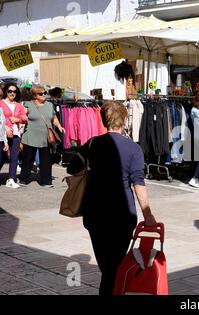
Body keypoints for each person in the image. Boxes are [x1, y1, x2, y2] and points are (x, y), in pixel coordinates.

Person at [67, 100, 157, 295]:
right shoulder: (133, 148)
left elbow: (72, 167)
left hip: (95, 213)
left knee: (108, 267)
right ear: (124, 120)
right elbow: (138, 182)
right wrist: (148, 215)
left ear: (103, 120)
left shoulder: (92, 144)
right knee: (113, 266)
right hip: (122, 214)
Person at [19, 85, 64, 187]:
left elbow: (54, 118)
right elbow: (22, 117)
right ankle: (24, 178)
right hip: (30, 136)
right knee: (28, 159)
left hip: (45, 137)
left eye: (44, 93)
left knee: (46, 160)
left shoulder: (49, 105)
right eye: (41, 94)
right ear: (35, 95)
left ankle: (46, 181)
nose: (44, 95)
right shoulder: (28, 104)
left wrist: (60, 126)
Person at [0, 83, 27, 188]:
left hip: (15, 133)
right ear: (6, 92)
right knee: (1, 157)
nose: (12, 93)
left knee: (14, 157)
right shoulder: (1, 103)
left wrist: (18, 119)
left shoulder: (19, 105)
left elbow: (24, 119)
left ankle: (11, 179)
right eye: (10, 91)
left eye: (14, 91)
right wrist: (5, 127)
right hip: (2, 134)